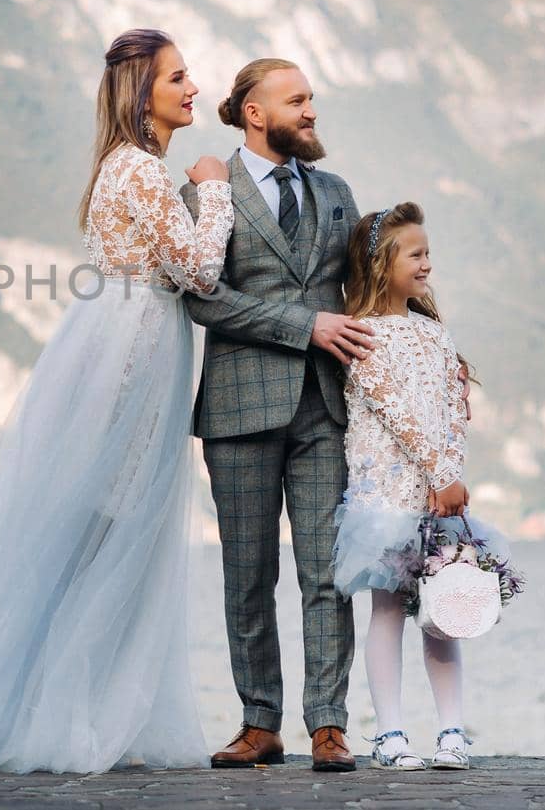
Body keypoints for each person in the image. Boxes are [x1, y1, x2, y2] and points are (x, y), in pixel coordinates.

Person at [0, 28, 233, 773]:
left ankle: (49, 702)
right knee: (109, 528)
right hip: (134, 356)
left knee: (91, 528)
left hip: (120, 341)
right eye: (178, 78)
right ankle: (60, 713)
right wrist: (216, 187)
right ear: (143, 94)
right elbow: (196, 269)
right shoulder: (144, 173)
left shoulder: (121, 170)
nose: (193, 88)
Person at [178, 58, 368, 771]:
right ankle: (260, 722)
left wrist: (433, 351)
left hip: (325, 408)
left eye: (312, 97)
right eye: (297, 99)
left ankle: (328, 723)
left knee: (327, 570)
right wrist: (305, 325)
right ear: (255, 112)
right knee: (248, 573)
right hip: (238, 410)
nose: (311, 109)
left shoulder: (337, 192)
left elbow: (365, 295)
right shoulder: (206, 195)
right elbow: (202, 298)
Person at [331, 201, 505, 771]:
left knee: (445, 609)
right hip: (388, 498)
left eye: (429, 253)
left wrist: (451, 476)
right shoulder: (364, 337)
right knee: (387, 611)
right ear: (383, 263)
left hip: (441, 497)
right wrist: (438, 470)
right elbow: (397, 411)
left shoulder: (433, 332)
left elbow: (453, 410)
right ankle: (390, 734)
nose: (428, 264)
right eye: (417, 254)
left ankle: (452, 731)